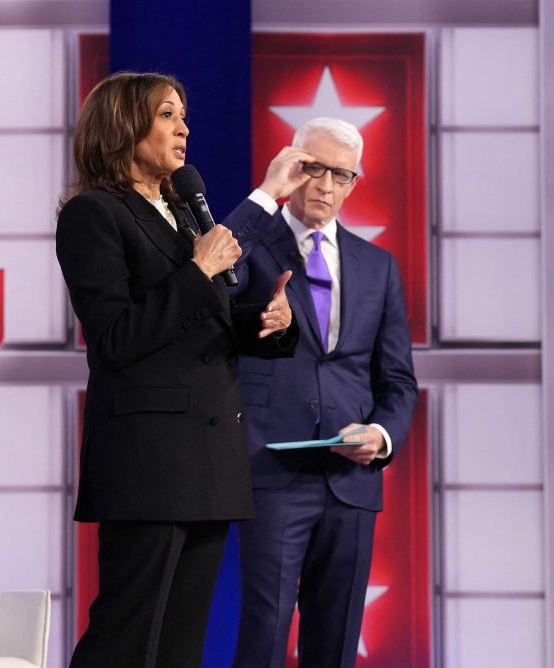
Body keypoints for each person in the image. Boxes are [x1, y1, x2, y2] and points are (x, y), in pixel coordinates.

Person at [56, 71, 301, 668]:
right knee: (126, 640)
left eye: (184, 116)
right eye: (167, 115)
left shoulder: (182, 213)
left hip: (209, 460)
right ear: (122, 126)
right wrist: (197, 270)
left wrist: (267, 323)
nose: (184, 128)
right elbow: (115, 338)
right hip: (149, 462)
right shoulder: (93, 214)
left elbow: (196, 328)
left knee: (180, 647)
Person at [223, 117, 419, 668]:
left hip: (351, 480)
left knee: (335, 643)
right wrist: (265, 195)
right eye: (314, 169)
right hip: (272, 470)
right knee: (264, 633)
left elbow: (398, 379)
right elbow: (208, 271)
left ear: (355, 182)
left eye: (342, 175)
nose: (326, 186)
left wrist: (381, 435)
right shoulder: (252, 245)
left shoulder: (377, 266)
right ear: (292, 165)